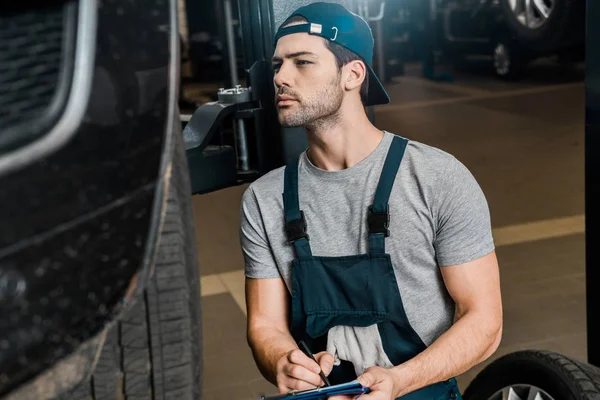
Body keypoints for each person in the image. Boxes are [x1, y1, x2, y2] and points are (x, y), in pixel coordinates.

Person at [239, 3, 502, 399]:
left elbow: (484, 321)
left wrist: (399, 381)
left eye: (302, 62)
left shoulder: (436, 178)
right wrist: (282, 361)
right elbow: (264, 326)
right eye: (278, 65)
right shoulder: (264, 199)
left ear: (353, 74)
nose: (281, 78)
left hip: (418, 389)